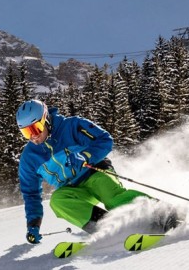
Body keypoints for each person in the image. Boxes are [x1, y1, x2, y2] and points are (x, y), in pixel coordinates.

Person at [15, 99, 175, 244]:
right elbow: (31, 194)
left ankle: (165, 215)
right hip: (72, 188)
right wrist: (33, 224)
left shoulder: (71, 126)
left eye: (35, 129)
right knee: (58, 201)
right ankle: (109, 228)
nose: (33, 137)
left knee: (112, 198)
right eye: (26, 133)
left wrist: (85, 155)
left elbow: (105, 140)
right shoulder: (30, 158)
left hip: (95, 171)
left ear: (46, 119)